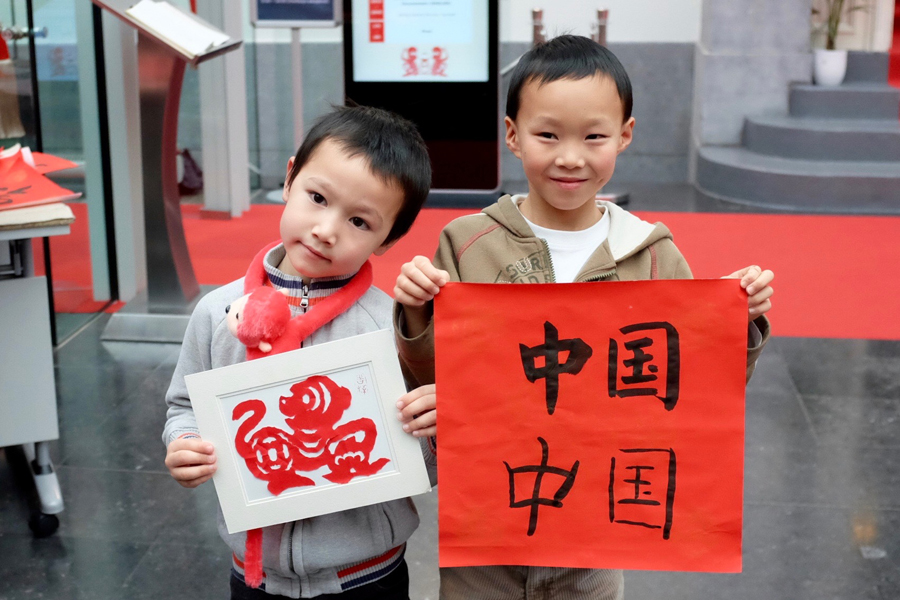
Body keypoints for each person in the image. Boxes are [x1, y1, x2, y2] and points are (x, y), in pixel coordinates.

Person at [392, 35, 774, 600]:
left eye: (594, 137)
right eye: (548, 135)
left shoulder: (649, 253)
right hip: (491, 512)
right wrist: (418, 308)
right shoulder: (469, 242)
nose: (570, 157)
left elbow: (695, 386)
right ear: (513, 135)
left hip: (596, 521)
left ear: (624, 136)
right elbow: (429, 373)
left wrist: (737, 321)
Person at [163, 105, 436, 600]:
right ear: (290, 178)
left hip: (367, 573)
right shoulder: (216, 311)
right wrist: (184, 443)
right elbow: (185, 405)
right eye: (317, 197)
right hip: (254, 571)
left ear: (388, 238)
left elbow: (424, 459)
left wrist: (433, 429)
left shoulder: (391, 326)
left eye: (359, 220)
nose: (326, 230)